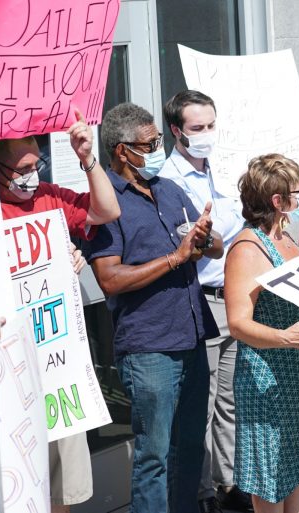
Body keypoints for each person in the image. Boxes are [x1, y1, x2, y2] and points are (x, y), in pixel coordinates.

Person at [85, 102, 223, 513]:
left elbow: (211, 246)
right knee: (154, 457)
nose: (158, 149)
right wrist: (175, 259)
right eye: (149, 144)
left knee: (189, 448)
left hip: (192, 337)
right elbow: (109, 278)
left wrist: (204, 237)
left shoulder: (168, 188)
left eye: (158, 140)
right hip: (149, 349)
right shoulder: (105, 203)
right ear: (122, 151)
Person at [0, 111, 120, 513]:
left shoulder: (48, 195)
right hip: (4, 368)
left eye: (36, 165)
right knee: (12, 480)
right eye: (22, 169)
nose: (31, 175)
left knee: (61, 483)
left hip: (55, 366)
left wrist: (87, 158)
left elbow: (106, 211)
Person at [225, 154, 299, 513]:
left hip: (297, 374)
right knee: (271, 481)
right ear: (278, 199)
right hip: (267, 378)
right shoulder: (247, 248)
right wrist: (288, 337)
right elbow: (239, 323)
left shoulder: (285, 236)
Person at [158, 89, 251, 513]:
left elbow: (237, 222)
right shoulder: (168, 179)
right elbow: (200, 241)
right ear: (177, 131)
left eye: (212, 125)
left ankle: (229, 484)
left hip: (238, 294)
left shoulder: (225, 167)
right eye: (198, 128)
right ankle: (202, 493)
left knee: (232, 400)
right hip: (203, 298)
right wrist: (214, 236)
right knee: (203, 404)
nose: (208, 134)